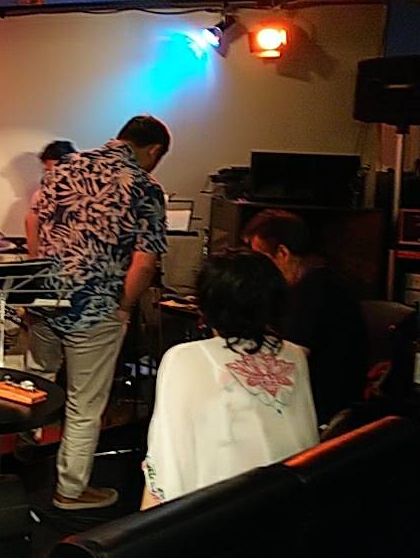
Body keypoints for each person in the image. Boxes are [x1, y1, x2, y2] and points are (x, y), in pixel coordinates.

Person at [30, 114, 170, 510]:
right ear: (154, 149)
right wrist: (123, 308)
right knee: (84, 405)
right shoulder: (144, 186)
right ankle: (70, 491)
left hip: (43, 299)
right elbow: (145, 262)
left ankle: (19, 462)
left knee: (33, 384)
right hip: (94, 309)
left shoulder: (64, 166)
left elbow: (36, 221)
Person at [141, 249, 319, 508]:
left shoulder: (184, 358)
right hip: (296, 504)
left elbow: (169, 458)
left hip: (220, 513)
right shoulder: (294, 355)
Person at [241, 209, 368, 428]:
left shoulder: (313, 291)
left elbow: (288, 363)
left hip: (320, 412)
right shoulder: (324, 277)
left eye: (261, 258)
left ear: (282, 253)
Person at [25, 140, 77, 258]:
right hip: (50, 259)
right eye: (48, 171)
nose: (52, 176)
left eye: (56, 171)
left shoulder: (87, 195)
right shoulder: (40, 195)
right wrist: (32, 257)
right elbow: (32, 225)